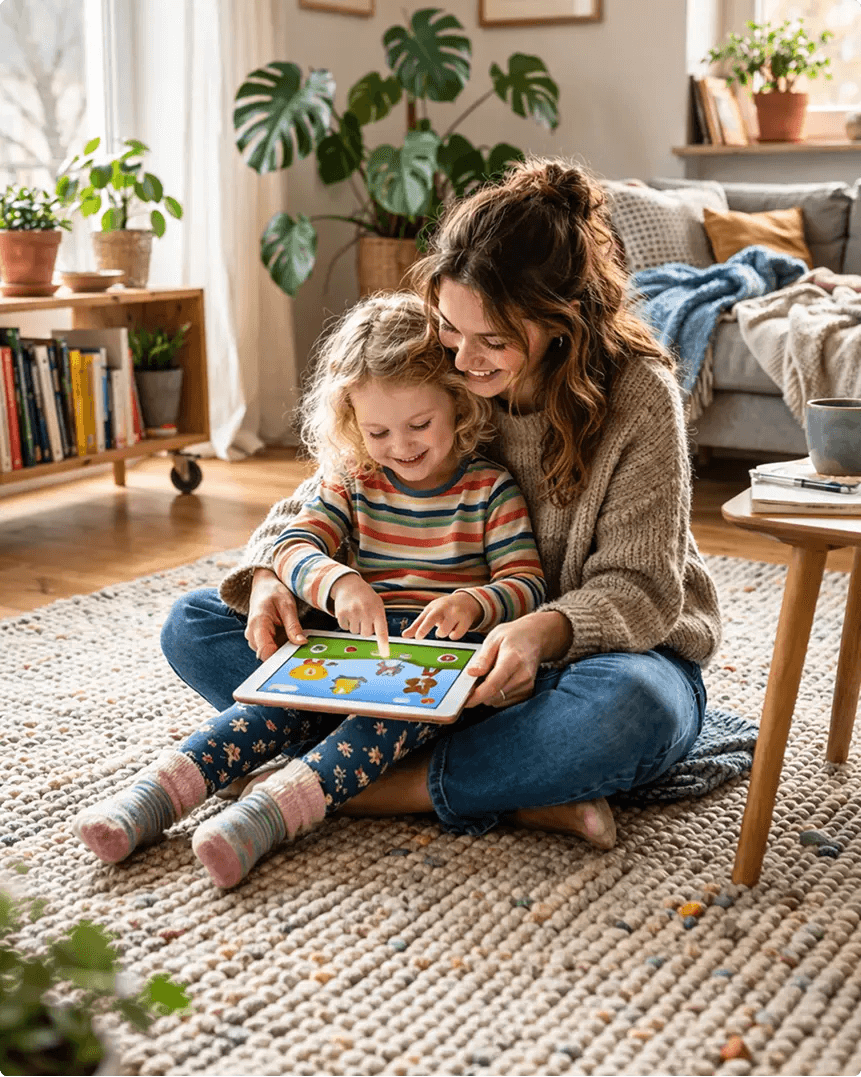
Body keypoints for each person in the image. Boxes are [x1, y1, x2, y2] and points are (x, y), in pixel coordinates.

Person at [158, 155, 722, 853]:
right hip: (421, 652)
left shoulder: (638, 395)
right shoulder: (438, 346)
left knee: (630, 712)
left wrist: (540, 631)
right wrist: (276, 572)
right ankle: (514, 785)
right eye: (453, 333)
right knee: (195, 622)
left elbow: (640, 590)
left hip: (584, 655)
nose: (461, 363)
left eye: (493, 342)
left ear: (564, 320)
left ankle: (366, 783)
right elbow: (333, 484)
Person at [73, 292, 546, 888]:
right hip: (351, 652)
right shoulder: (353, 480)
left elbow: (527, 583)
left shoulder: (490, 490)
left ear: (457, 404)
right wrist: (339, 582)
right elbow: (292, 547)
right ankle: (149, 800)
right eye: (377, 431)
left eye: (419, 425)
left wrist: (475, 602)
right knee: (259, 703)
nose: (401, 446)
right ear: (351, 423)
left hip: (440, 671)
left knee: (382, 724)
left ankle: (268, 814)